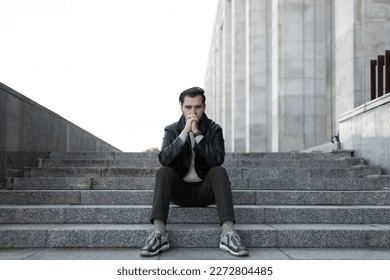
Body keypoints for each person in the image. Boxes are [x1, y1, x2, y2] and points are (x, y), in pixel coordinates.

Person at [140, 86, 249, 257]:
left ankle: (228, 234)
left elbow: (216, 160)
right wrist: (184, 133)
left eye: (197, 107)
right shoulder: (172, 130)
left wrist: (197, 133)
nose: (193, 112)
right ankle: (159, 234)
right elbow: (164, 159)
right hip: (180, 192)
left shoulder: (214, 129)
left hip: (206, 191)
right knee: (164, 172)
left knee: (219, 171)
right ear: (181, 108)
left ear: (204, 107)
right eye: (188, 107)